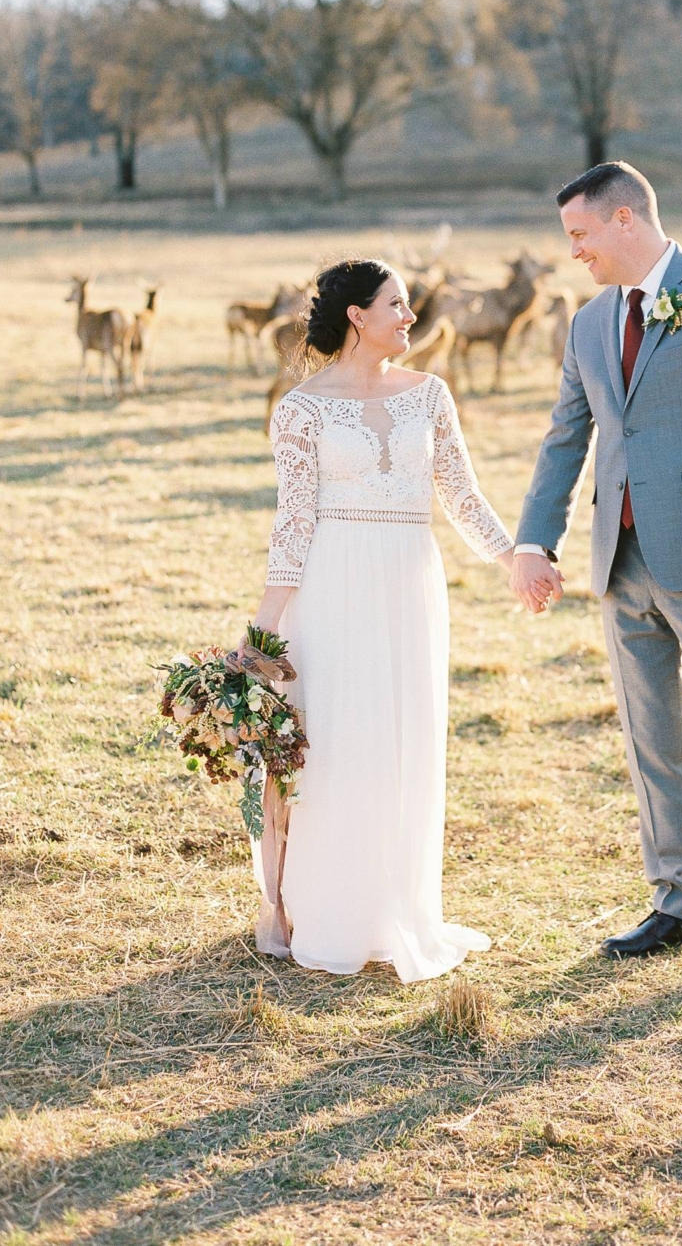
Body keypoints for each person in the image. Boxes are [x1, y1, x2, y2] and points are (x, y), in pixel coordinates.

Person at [510, 162, 682, 986]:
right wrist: (536, 540)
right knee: (652, 740)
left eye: (581, 235)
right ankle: (681, 900)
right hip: (620, 563)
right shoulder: (592, 322)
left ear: (625, 219)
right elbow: (567, 438)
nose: (575, 253)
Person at [250, 258, 514, 983]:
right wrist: (266, 627)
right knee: (337, 740)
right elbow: (294, 521)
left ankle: (397, 907)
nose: (411, 316)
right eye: (397, 305)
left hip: (409, 583)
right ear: (358, 316)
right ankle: (330, 909)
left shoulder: (429, 395)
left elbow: (461, 495)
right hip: (332, 585)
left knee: (402, 737)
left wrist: (513, 557)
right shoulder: (301, 410)